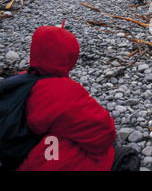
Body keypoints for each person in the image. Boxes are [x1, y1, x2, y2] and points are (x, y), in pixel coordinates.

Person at [14, 21, 140, 171]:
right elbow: (104, 135)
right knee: (127, 157)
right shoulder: (65, 91)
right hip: (50, 163)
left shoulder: (15, 83)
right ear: (70, 56)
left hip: (17, 158)